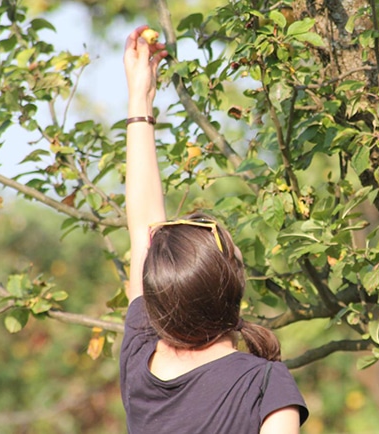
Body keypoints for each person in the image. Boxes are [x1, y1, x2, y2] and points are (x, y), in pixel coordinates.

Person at [120, 25, 309, 433]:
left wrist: (140, 98)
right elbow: (144, 231)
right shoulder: (264, 385)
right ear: (232, 287)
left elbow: (141, 228)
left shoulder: (141, 363)